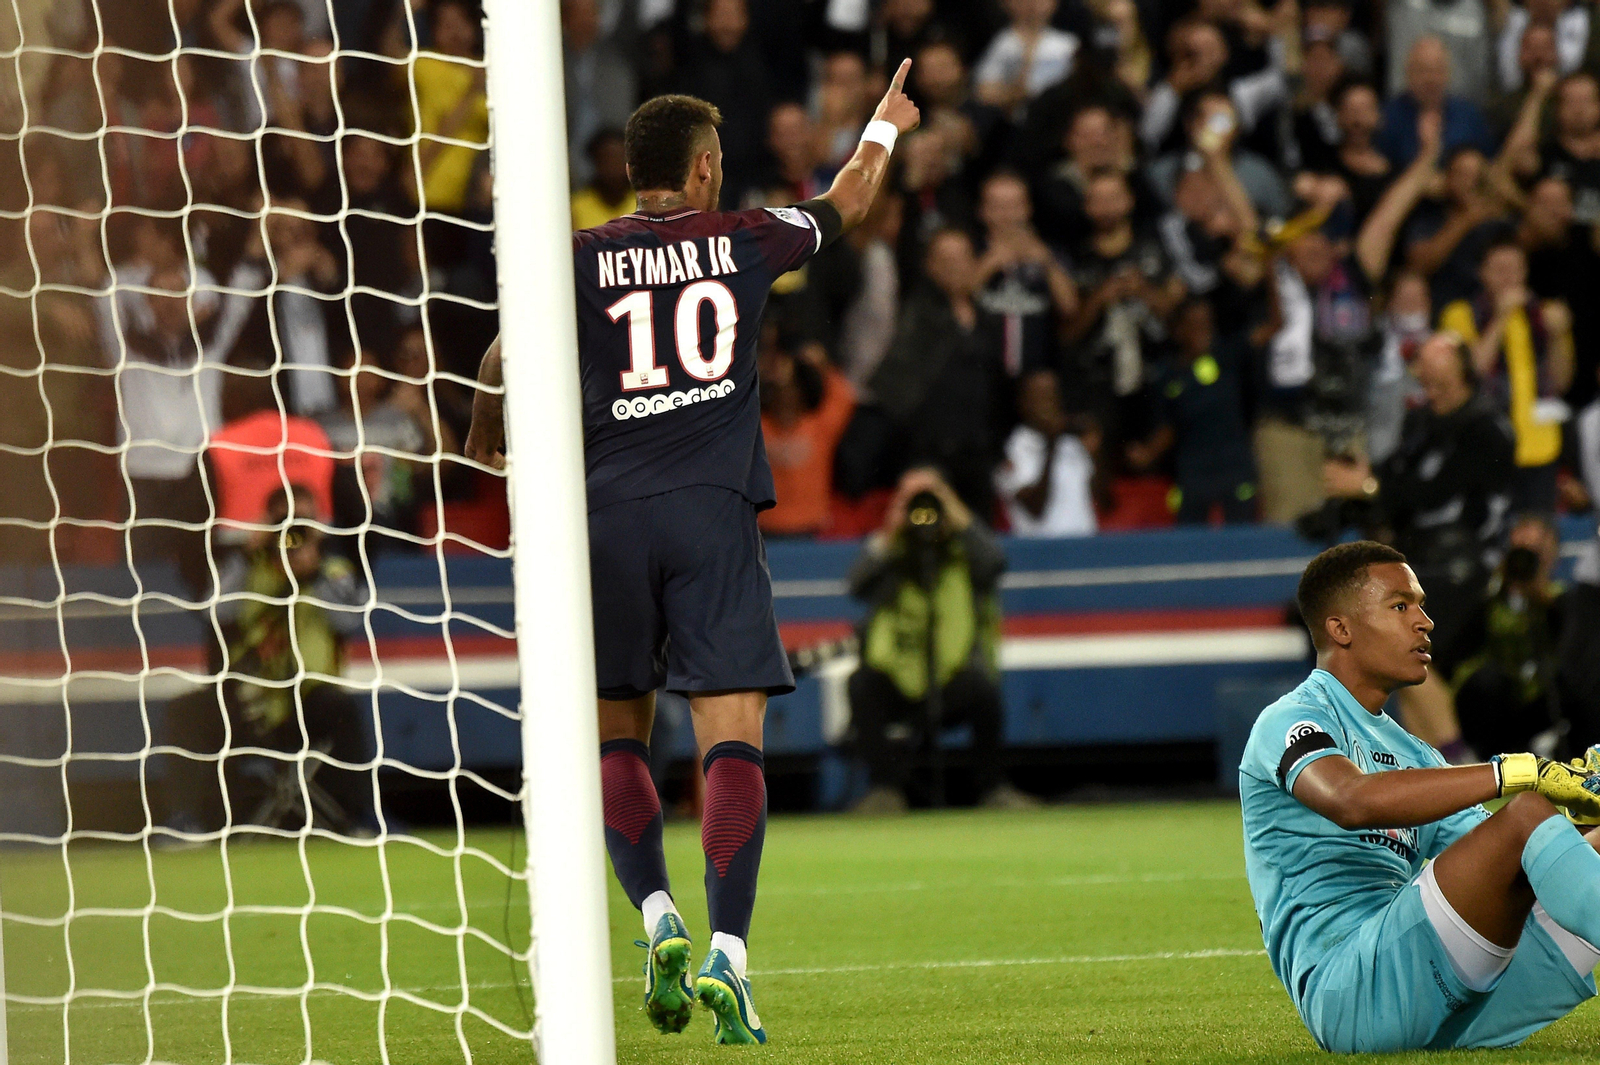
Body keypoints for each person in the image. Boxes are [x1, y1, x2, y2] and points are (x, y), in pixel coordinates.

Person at [462, 67, 921, 1045]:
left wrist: (479, 432)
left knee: (616, 736)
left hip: (605, 517)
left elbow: (500, 358)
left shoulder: (575, 257)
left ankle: (655, 918)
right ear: (706, 168)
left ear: (636, 174)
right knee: (730, 738)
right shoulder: (742, 236)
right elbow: (847, 201)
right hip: (711, 515)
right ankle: (730, 955)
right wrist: (882, 124)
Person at [1240, 538, 1600, 1054]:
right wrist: (1520, 773)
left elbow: (1517, 860)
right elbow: (1350, 799)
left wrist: (1581, 807)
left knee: (1573, 837)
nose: (1425, 621)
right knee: (1524, 812)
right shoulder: (1291, 719)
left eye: (1422, 605)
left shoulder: (1415, 753)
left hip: (1437, 999)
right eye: (1401, 605)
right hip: (1351, 994)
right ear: (1340, 629)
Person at [1323, 333, 1516, 762]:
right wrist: (1362, 483)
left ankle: (1458, 766)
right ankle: (1436, 768)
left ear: (1465, 375)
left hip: (1467, 569)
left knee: (1405, 655)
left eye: (1440, 385)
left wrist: (1369, 486)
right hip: (1423, 566)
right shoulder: (1424, 425)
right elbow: (1396, 477)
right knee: (1405, 669)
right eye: (1426, 384)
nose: (1432, 394)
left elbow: (1432, 492)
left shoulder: (1487, 430)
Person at [159, 485, 375, 837]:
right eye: (286, 522)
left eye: (304, 522)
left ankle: (360, 818)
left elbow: (350, 621)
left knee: (345, 709)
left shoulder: (333, 568)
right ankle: (185, 821)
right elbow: (215, 611)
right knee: (185, 711)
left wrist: (314, 570)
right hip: (253, 701)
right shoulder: (250, 567)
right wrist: (248, 553)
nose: (294, 532)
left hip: (308, 701)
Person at [847, 468, 1029, 812]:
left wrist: (954, 511)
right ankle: (885, 791)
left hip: (950, 679)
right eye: (911, 498)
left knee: (983, 690)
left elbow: (994, 562)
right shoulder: (892, 550)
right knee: (862, 685)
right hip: (897, 678)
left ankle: (993, 789)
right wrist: (891, 529)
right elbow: (856, 584)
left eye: (930, 496)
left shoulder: (963, 551)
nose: (922, 509)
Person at [1438, 240, 1575, 513]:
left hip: (1539, 448)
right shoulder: (1460, 314)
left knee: (1535, 536)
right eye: (1500, 270)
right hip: (1486, 448)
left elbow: (1562, 381)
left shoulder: (1543, 315)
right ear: (1481, 273)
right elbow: (1469, 374)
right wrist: (1500, 317)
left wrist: (1559, 336)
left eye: (1516, 269)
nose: (1509, 278)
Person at [1451, 514, 1571, 758]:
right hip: (1495, 711)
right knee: (1487, 680)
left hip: (1544, 703)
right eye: (1518, 551)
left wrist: (1540, 597)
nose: (1524, 560)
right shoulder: (1489, 603)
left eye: (1534, 552)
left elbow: (1571, 659)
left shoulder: (1565, 602)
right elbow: (1453, 658)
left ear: (1552, 555)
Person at [995, 370, 1099, 537]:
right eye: (1040, 397)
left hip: (1084, 549)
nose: (1048, 405)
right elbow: (1035, 509)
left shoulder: (1072, 444)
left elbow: (1102, 498)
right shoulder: (1010, 450)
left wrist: (1097, 449)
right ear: (1023, 403)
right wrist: (1051, 446)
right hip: (1041, 553)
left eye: (1052, 396)